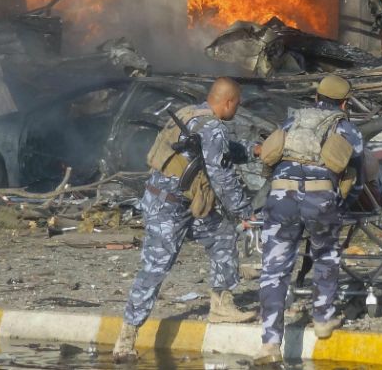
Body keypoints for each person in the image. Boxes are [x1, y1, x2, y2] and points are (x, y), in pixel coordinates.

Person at [112, 77, 258, 362]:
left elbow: (219, 149)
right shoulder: (212, 126)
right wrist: (244, 211)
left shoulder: (188, 113)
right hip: (168, 209)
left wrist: (253, 151)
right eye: (237, 105)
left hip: (183, 203)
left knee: (223, 235)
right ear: (228, 102)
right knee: (155, 269)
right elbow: (221, 174)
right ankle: (126, 337)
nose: (237, 110)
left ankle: (221, 303)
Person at [253, 74, 364, 365]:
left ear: (316, 98)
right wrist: (341, 205)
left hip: (281, 199)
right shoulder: (347, 128)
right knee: (325, 254)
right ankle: (323, 318)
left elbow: (270, 160)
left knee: (274, 269)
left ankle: (269, 343)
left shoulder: (291, 122)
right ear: (344, 104)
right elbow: (359, 177)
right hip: (320, 200)